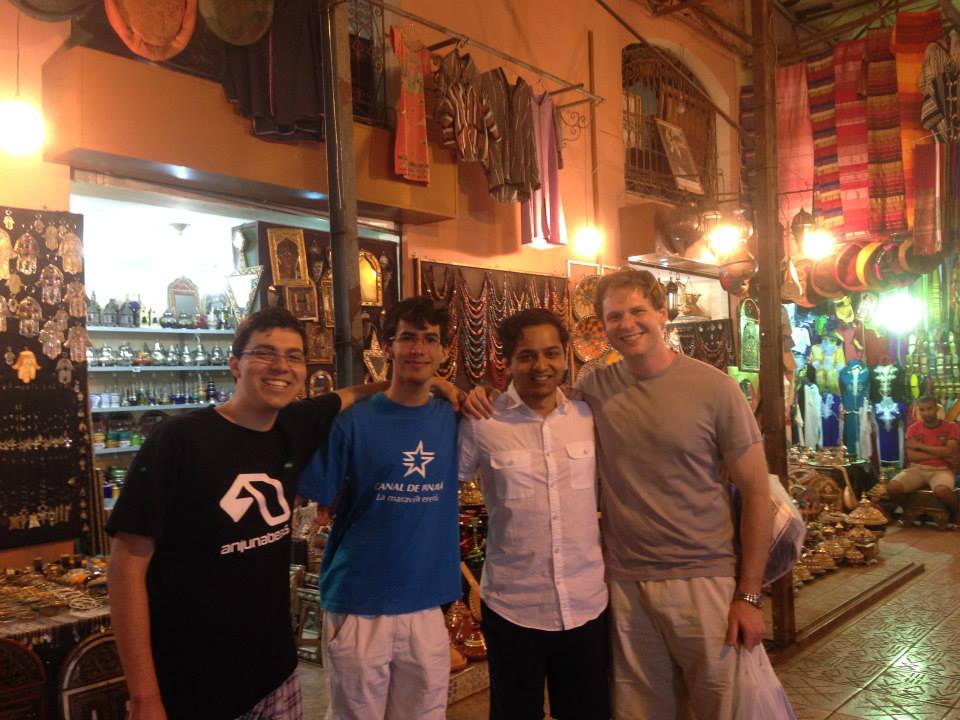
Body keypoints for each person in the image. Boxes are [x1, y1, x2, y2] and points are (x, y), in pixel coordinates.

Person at [467, 269, 793, 719]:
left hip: (704, 580)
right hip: (624, 588)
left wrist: (750, 595)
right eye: (615, 316)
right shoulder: (592, 392)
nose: (627, 323)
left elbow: (756, 492)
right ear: (601, 326)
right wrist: (470, 394)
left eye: (638, 310)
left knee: (729, 709)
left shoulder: (714, 387)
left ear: (662, 313)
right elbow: (535, 399)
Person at [108, 307, 399, 720]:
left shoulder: (294, 425)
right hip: (191, 684)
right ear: (235, 365)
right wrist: (143, 696)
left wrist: (435, 386)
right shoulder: (179, 440)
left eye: (293, 356)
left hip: (275, 676)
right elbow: (126, 568)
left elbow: (351, 394)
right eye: (264, 353)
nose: (281, 366)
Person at [298, 296, 460, 720]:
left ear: (444, 351)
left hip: (426, 602)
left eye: (430, 339)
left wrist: (451, 389)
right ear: (388, 346)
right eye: (407, 338)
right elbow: (318, 499)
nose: (418, 349)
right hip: (359, 600)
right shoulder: (353, 421)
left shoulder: (456, 418)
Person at [458, 308, 609, 720]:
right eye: (526, 356)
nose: (541, 366)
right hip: (513, 606)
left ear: (565, 356)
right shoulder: (482, 421)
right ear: (507, 361)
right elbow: (445, 490)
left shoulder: (586, 415)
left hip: (586, 603)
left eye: (551, 353)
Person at [889, 395, 960, 523]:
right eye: (922, 409)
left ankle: (956, 513)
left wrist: (919, 446)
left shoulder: (951, 427)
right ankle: (909, 510)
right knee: (893, 488)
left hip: (942, 469)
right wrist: (941, 452)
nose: (926, 413)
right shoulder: (913, 429)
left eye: (929, 408)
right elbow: (912, 456)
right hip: (917, 468)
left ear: (936, 408)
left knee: (942, 491)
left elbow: (950, 451)